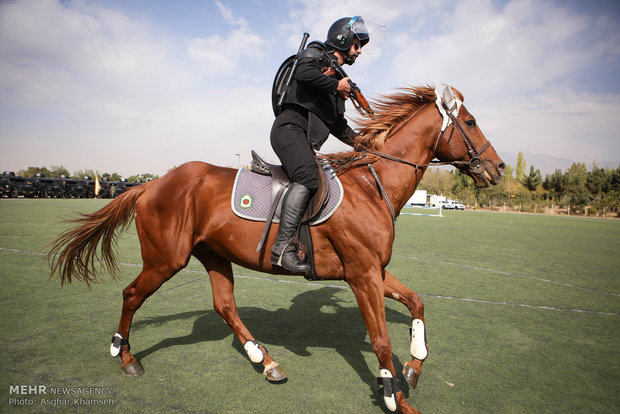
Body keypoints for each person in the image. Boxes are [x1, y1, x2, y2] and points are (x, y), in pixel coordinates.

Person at [270, 16, 369, 273]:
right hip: (289, 128)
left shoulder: (339, 83)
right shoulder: (316, 52)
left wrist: (363, 144)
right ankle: (282, 249)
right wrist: (336, 85)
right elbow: (303, 72)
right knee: (308, 177)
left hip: (306, 139)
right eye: (357, 45)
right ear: (342, 38)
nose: (359, 51)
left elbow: (337, 125)